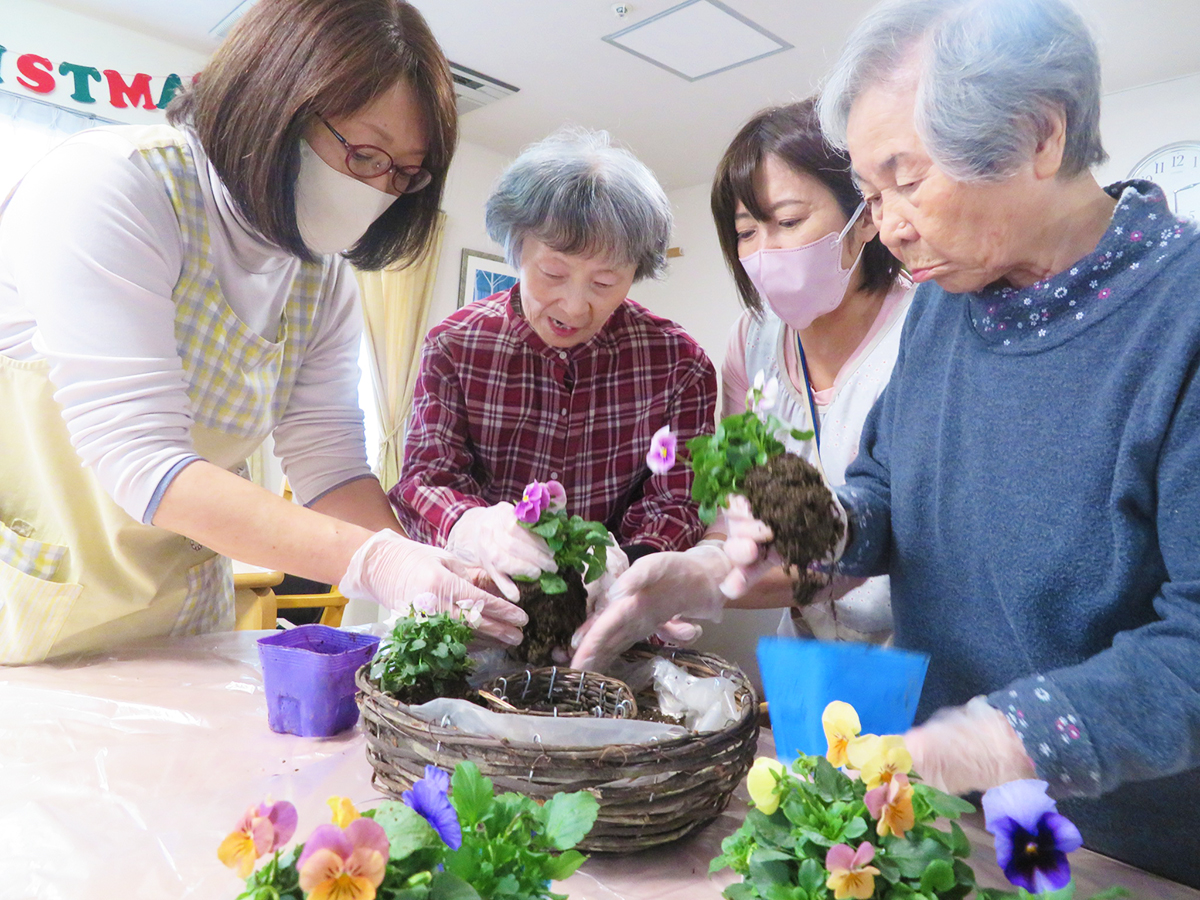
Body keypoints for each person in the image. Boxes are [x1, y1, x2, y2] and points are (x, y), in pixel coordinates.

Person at [724, 0, 1200, 885]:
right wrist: (812, 537)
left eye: (907, 179)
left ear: (1037, 134)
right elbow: (885, 492)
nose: (891, 227)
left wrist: (1003, 736)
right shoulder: (947, 303)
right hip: (941, 821)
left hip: (1127, 850)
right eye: (872, 196)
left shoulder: (1182, 318)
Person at [0, 0, 525, 666]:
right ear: (276, 99)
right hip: (34, 615)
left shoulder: (320, 278)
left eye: (402, 172)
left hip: (182, 619)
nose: (379, 189)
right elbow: (141, 457)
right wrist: (379, 562)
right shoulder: (110, 188)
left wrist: (430, 575)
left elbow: (330, 462)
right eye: (365, 153)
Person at [570, 99, 912, 672]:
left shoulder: (921, 335)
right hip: (811, 654)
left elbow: (916, 537)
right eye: (746, 231)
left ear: (866, 215)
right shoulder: (753, 342)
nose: (765, 252)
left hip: (920, 658)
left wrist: (713, 580)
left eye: (788, 221)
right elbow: (738, 518)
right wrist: (697, 575)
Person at [390, 128, 717, 609]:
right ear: (516, 247)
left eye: (605, 282)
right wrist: (474, 528)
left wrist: (632, 565)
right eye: (553, 274)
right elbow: (427, 482)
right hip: (479, 599)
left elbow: (678, 498)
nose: (575, 305)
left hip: (615, 611)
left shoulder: (677, 364)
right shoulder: (456, 347)